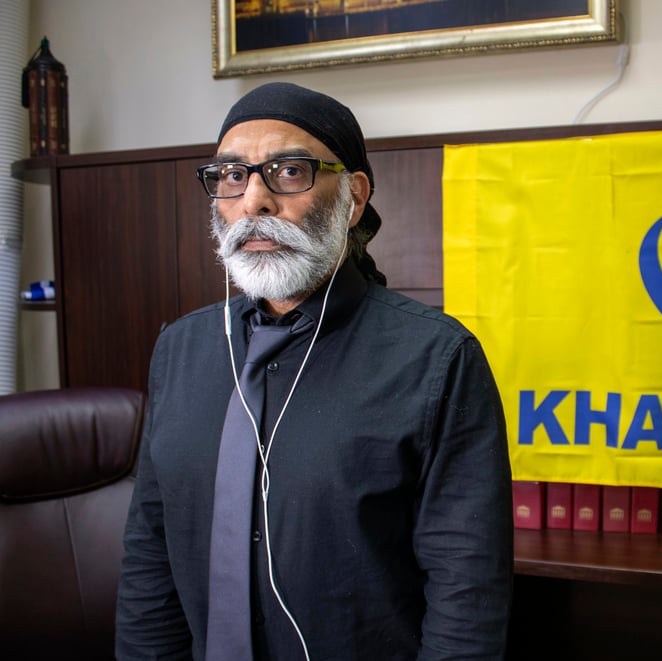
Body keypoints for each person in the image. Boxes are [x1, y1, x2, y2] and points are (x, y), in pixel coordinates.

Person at [115, 82, 513, 660]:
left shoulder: (436, 358)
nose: (254, 201)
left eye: (288, 171)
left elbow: (467, 591)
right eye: (232, 175)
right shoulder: (181, 348)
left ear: (352, 198)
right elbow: (150, 553)